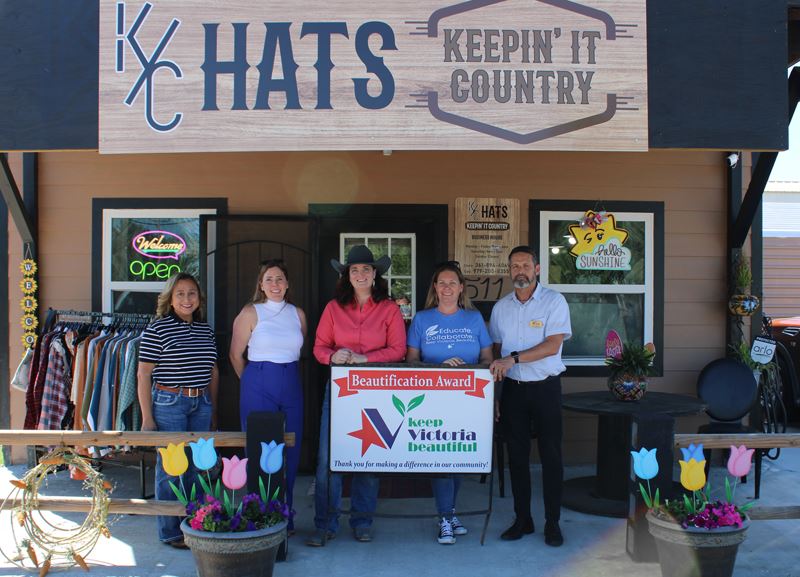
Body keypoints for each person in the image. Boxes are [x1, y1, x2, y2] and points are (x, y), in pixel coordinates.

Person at [307, 245, 406, 546]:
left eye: (366, 269)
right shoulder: (333, 309)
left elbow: (398, 350)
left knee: (369, 455)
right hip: (341, 391)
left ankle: (362, 520)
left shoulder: (389, 309)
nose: (360, 274)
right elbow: (319, 347)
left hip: (375, 390)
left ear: (375, 274)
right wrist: (333, 356)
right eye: (354, 270)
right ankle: (325, 522)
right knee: (329, 457)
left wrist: (366, 359)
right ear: (347, 276)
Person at [488, 246, 571, 547]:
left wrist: (514, 359)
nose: (520, 270)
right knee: (517, 458)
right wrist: (496, 395)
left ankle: (552, 522)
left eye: (525, 265)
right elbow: (496, 354)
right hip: (513, 392)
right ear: (509, 271)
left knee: (551, 457)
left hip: (545, 388)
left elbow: (552, 345)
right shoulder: (501, 308)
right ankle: (523, 519)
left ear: (537, 269)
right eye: (514, 266)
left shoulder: (554, 301)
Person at [406, 261, 493, 545]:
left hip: (468, 400)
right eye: (441, 283)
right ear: (435, 287)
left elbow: (487, 359)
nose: (446, 287)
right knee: (441, 457)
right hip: (433, 400)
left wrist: (468, 372)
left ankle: (450, 511)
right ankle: (445, 517)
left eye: (452, 283)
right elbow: (411, 361)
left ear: (461, 288)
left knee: (457, 457)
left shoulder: (473, 319)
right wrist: (440, 367)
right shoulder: (422, 319)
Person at [137, 272, 219, 549]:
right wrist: (147, 418)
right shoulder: (157, 329)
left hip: (202, 404)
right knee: (173, 469)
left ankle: (195, 525)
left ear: (199, 298)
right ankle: (171, 532)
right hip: (170, 403)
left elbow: (212, 370)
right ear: (170, 299)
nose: (187, 298)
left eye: (192, 293)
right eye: (180, 293)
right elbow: (143, 374)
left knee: (199, 468)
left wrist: (213, 407)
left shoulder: (205, 330)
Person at [229, 259, 307, 532]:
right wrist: (253, 383)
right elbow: (235, 355)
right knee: (261, 450)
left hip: (291, 380)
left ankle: (285, 514)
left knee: (291, 448)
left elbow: (299, 348)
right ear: (261, 285)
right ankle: (260, 514)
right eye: (269, 279)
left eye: (280, 279)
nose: (275, 284)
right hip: (258, 382)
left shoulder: (297, 313)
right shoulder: (251, 312)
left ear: (287, 284)